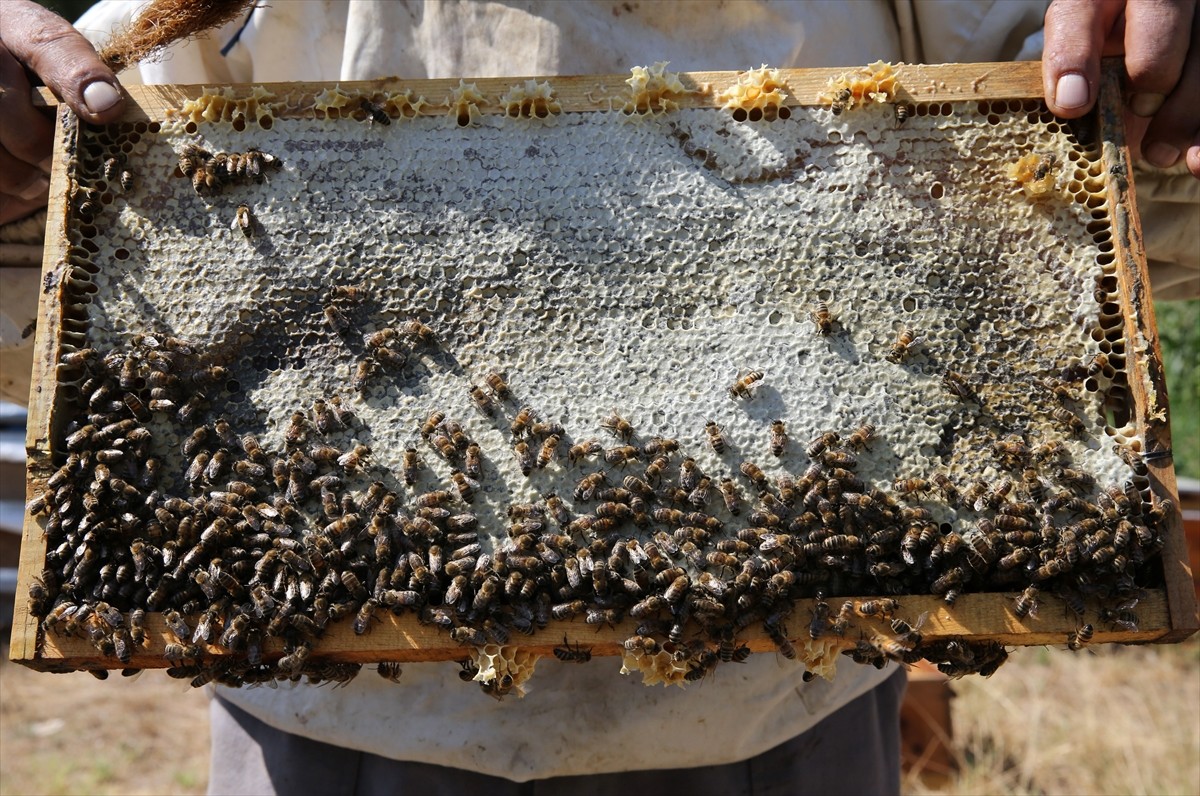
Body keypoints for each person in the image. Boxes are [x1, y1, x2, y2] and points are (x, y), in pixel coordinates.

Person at [1, 2, 1196, 794]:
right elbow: (70, 196)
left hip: (787, 704)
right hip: (320, 709)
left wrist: (1160, 85)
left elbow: (1091, 200)